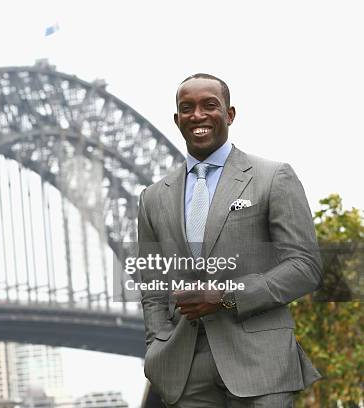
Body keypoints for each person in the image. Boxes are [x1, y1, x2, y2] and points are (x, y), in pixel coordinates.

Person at [137, 74, 323, 407]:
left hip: (260, 365)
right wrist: (157, 345)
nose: (198, 115)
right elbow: (152, 284)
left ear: (230, 114)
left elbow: (306, 267)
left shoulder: (273, 177)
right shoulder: (152, 198)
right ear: (177, 119)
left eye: (210, 105)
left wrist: (227, 295)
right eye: (187, 108)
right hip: (185, 370)